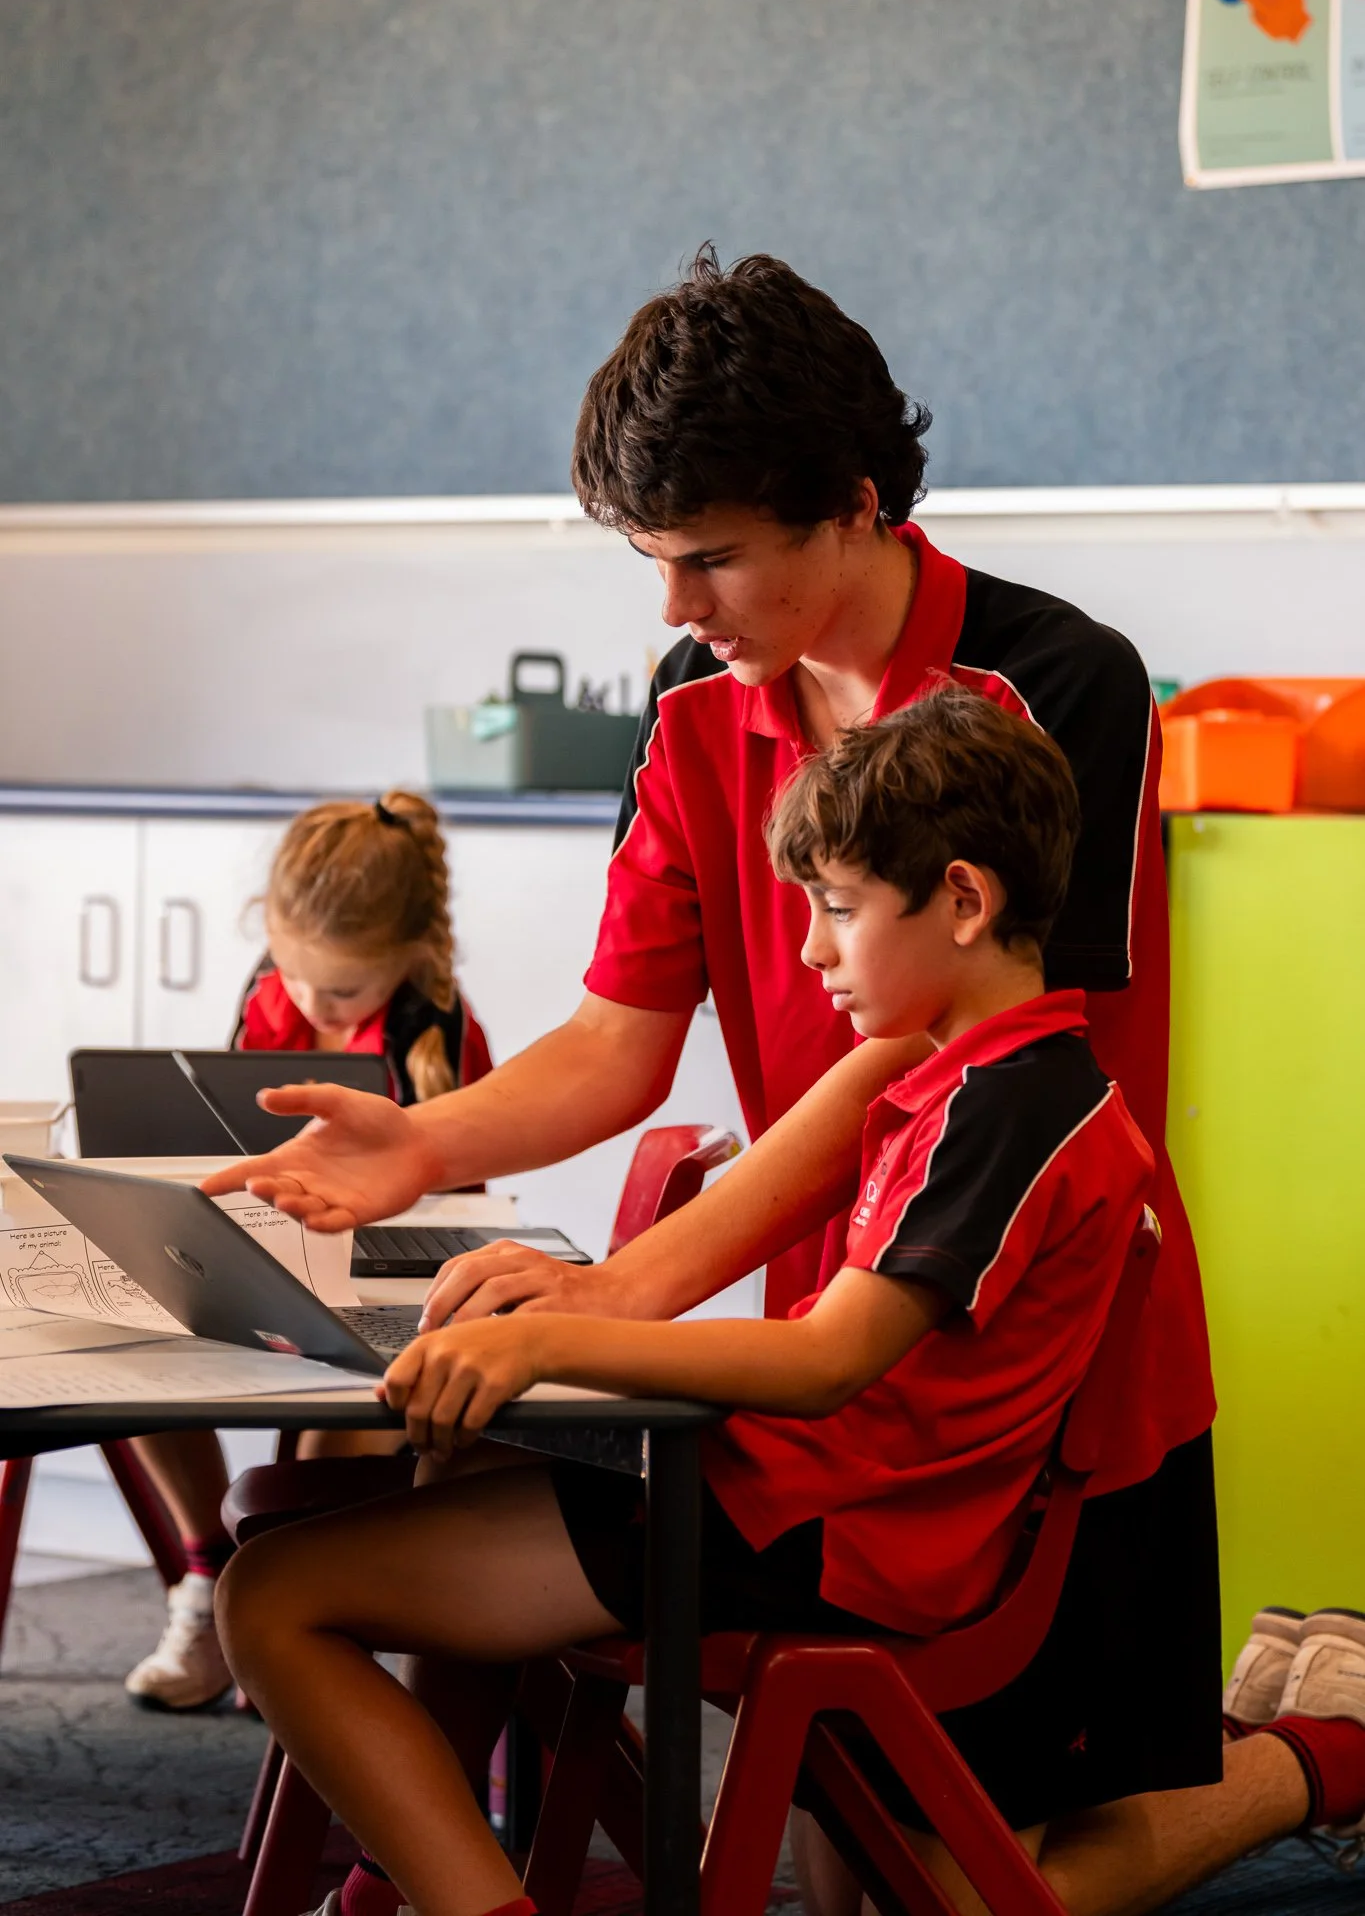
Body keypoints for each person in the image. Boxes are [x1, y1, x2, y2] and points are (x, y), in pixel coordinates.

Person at [204, 250, 1365, 1909]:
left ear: (856, 507)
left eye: (711, 560)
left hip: (1033, 1367)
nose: (676, 610)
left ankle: (1313, 1744)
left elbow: (941, 1071)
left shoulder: (1049, 687)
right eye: (655, 563)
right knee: (883, 1873)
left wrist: (610, 1292)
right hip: (827, 1358)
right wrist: (423, 1140)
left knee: (951, 1884)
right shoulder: (695, 704)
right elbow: (622, 1034)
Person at [216, 688, 1154, 1916]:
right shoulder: (965, 1083)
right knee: (385, 1510)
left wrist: (559, 1335)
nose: (813, 950)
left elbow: (827, 1360)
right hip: (791, 1503)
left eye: (837, 909)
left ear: (966, 901)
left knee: (271, 1596)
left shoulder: (1010, 1108)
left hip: (817, 1536)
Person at [125, 791, 492, 1714]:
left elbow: (456, 1216)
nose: (309, 1002)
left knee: (349, 1416)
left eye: (340, 992)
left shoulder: (435, 1032)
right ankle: (211, 1576)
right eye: (295, 977)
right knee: (132, 1331)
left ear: (408, 960)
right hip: (273, 1254)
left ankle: (277, 1601)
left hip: (384, 1288)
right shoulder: (268, 994)